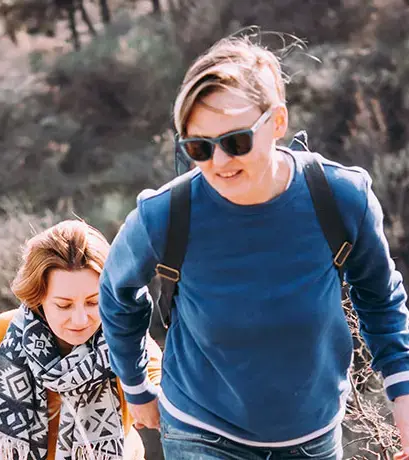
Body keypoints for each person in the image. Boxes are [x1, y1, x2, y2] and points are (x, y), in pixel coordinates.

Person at [98, 35, 409, 460]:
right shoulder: (164, 214)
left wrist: (404, 401)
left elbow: (380, 299)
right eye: (198, 147)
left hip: (313, 438)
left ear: (277, 122)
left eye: (236, 141)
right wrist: (135, 386)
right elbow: (116, 292)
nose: (219, 162)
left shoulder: (340, 196)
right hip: (200, 434)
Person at [0, 220, 162, 460]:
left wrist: (154, 402)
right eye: (63, 305)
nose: (80, 320)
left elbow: (166, 393)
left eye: (93, 302)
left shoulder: (128, 340)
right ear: (38, 299)